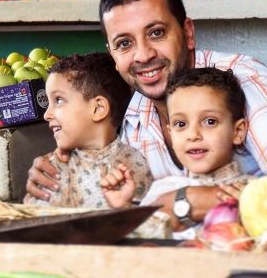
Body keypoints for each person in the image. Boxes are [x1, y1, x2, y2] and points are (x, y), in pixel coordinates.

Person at [26, 0, 267, 223]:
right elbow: (131, 199)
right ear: (113, 54)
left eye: (156, 33)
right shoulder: (138, 111)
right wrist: (63, 179)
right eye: (125, 43)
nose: (143, 55)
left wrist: (185, 202)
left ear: (188, 33)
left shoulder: (247, 85)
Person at [101, 67, 255, 235]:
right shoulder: (162, 190)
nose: (193, 135)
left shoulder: (254, 192)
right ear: (170, 133)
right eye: (181, 124)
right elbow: (143, 240)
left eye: (210, 121)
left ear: (238, 132)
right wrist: (125, 208)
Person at [23, 52, 152, 208]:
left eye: (58, 100)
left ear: (98, 108)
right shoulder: (52, 169)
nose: (47, 115)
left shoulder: (136, 164)